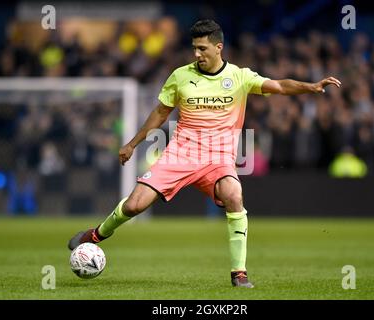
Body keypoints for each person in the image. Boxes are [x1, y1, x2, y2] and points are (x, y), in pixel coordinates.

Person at [68, 20, 341, 288]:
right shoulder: (180, 76)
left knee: (234, 194)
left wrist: (311, 86)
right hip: (181, 154)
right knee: (134, 206)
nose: (197, 54)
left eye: (202, 48)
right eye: (194, 49)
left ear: (218, 47)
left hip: (218, 159)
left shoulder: (239, 76)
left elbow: (279, 86)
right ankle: (94, 234)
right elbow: (160, 114)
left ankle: (239, 274)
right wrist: (132, 144)